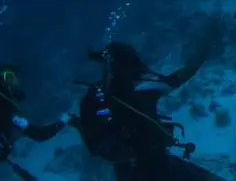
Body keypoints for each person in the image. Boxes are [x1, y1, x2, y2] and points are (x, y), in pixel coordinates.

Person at [72, 32, 226, 181]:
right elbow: (177, 79)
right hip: (158, 165)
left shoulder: (93, 99)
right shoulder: (141, 89)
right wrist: (203, 55)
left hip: (131, 171)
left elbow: (94, 147)